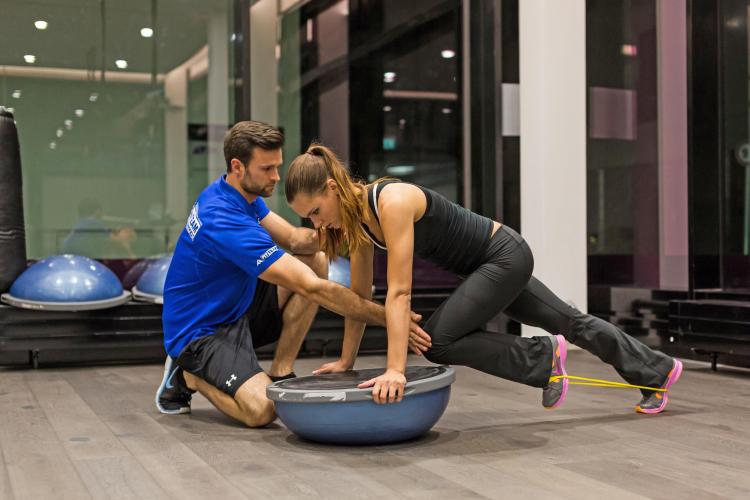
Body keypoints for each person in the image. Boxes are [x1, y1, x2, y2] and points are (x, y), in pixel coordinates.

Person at [284, 143, 683, 413]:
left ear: (333, 188)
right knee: (569, 321)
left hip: (503, 255)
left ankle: (542, 359)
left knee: (437, 341)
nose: (317, 223)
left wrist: (395, 370)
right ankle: (656, 370)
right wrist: (346, 360)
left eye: (316, 210)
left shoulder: (392, 201)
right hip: (486, 267)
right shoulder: (361, 227)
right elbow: (360, 298)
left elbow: (400, 292)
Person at [156, 121, 427, 428]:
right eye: (267, 169)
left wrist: (345, 219)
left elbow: (298, 240)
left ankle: (281, 369)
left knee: (315, 259)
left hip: (236, 310)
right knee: (263, 411)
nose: (276, 177)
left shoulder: (241, 195)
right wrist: (392, 316)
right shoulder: (222, 217)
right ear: (238, 166)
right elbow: (313, 289)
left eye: (278, 166)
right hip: (202, 332)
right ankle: (188, 375)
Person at [61, 198, 137, 258]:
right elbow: (117, 240)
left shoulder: (81, 223)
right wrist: (126, 233)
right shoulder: (93, 223)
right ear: (98, 211)